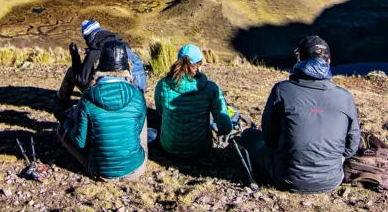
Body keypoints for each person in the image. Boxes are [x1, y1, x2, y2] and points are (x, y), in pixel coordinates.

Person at [240, 35, 360, 194]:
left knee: (248, 135)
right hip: (332, 179)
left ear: (298, 58)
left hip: (286, 178)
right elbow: (352, 146)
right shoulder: (345, 97)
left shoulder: (282, 90)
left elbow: (269, 138)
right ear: (328, 62)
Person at [57, 40, 148, 181]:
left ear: (100, 65)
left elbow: (79, 141)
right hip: (135, 170)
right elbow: (137, 130)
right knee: (140, 116)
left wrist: (66, 123)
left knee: (61, 130)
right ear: (126, 66)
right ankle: (132, 157)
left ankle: (97, 161)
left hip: (100, 172)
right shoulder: (137, 96)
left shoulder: (87, 98)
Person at [153, 44, 232, 156]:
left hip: (169, 146)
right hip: (200, 147)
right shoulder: (210, 88)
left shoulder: (163, 84)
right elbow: (225, 124)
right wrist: (223, 131)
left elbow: (160, 112)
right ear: (198, 66)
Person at [57, 20, 147, 113]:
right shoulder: (124, 45)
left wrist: (75, 57)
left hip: (112, 97)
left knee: (72, 71)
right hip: (136, 95)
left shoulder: (95, 52)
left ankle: (61, 101)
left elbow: (81, 79)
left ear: (89, 38)